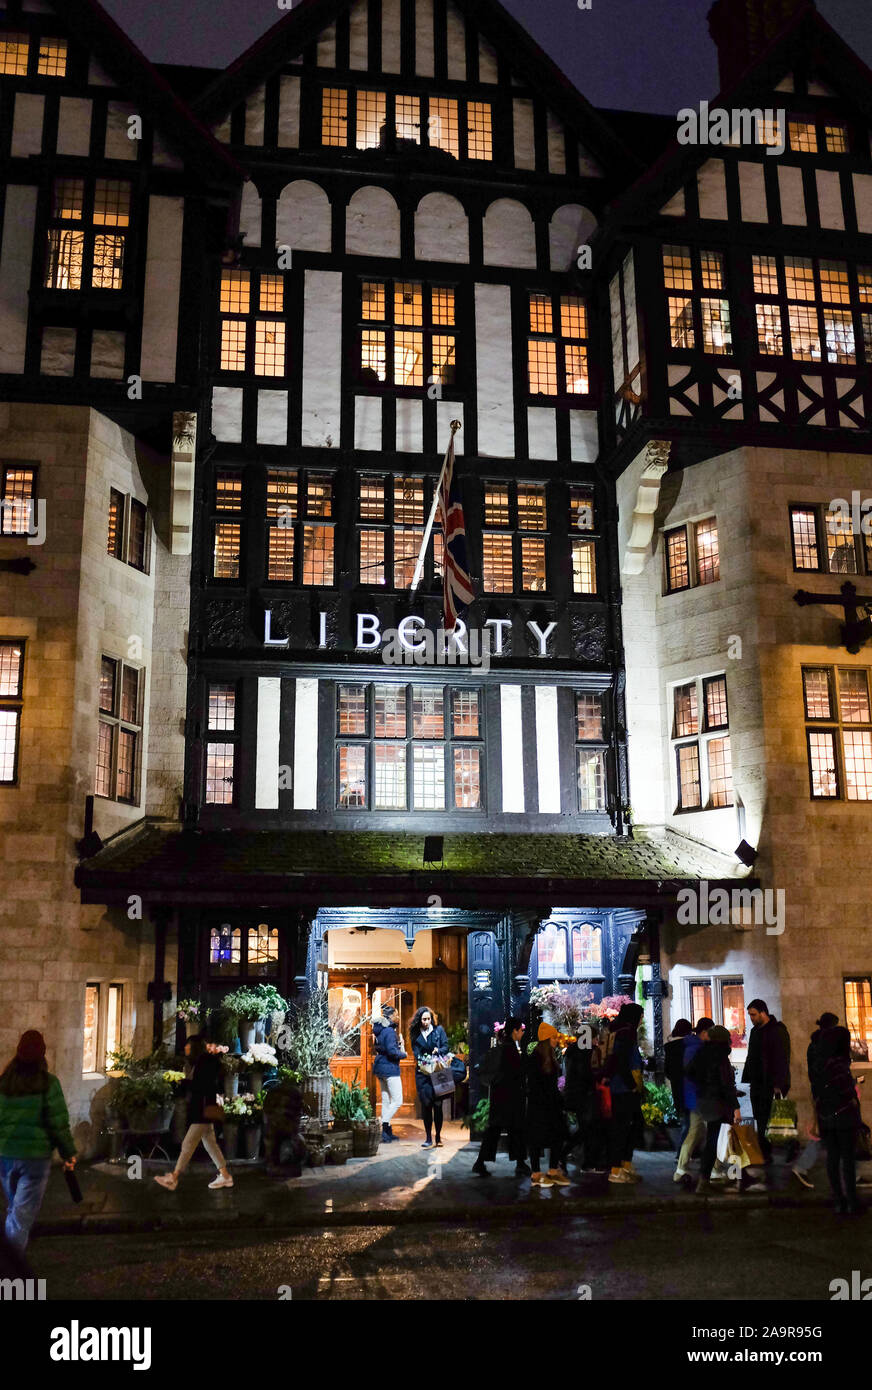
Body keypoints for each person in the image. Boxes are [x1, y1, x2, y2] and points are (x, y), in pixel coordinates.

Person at [0, 1030, 77, 1251]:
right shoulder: (49, 1084)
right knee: (21, 1217)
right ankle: (10, 1268)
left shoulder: (4, 1083)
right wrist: (68, 1152)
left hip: (5, 1155)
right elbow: (58, 1124)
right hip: (34, 1158)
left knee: (14, 1210)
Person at [154, 1034, 233, 1190]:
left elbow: (200, 1086)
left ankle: (174, 1178)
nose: (185, 1048)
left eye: (188, 1045)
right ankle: (225, 1176)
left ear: (194, 1047)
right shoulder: (203, 1062)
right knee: (210, 1143)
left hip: (202, 1110)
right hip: (204, 1108)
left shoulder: (204, 1062)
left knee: (187, 1144)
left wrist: (181, 1082)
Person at [813, 1024, 864, 1215]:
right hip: (844, 1116)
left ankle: (839, 1199)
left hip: (826, 1116)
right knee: (848, 1159)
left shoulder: (820, 1063)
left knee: (833, 1158)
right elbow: (845, 1091)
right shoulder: (839, 1064)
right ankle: (851, 1199)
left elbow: (817, 1091)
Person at [686, 1024, 742, 1195]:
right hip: (718, 1103)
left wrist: (702, 1087)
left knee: (712, 1139)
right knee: (717, 1140)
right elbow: (726, 1085)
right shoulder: (721, 1058)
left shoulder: (701, 1054)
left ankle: (708, 1178)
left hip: (704, 1101)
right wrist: (736, 1107)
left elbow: (689, 1072)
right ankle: (724, 1176)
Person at [472, 1018, 529, 1177]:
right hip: (510, 1098)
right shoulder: (511, 1050)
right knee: (515, 1130)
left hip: (500, 1097)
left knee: (494, 1130)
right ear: (515, 1031)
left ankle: (481, 1162)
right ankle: (519, 1163)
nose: (522, 1033)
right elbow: (516, 1074)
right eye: (521, 1030)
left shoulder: (502, 1047)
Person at [792, 1011, 839, 1190]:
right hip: (829, 1096)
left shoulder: (814, 1045)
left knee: (830, 1135)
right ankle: (802, 1166)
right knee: (835, 1133)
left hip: (822, 1094)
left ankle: (851, 1172)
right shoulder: (826, 1047)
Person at [741, 999, 791, 1165]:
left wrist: (779, 1083)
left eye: (753, 1014)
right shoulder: (755, 1031)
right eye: (749, 1015)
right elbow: (751, 1055)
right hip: (757, 1083)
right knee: (761, 1119)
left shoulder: (777, 1030)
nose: (751, 1018)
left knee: (776, 1117)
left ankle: (789, 1146)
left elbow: (782, 1057)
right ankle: (765, 1154)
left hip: (772, 1083)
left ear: (763, 1012)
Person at [604, 1002, 645, 1185]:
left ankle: (625, 1165)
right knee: (623, 1129)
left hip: (620, 1087)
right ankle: (617, 1169)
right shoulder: (626, 1032)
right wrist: (632, 1084)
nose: (642, 1019)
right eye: (641, 1016)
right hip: (624, 1088)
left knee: (631, 1126)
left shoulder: (619, 1030)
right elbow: (622, 1061)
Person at [526, 1023, 569, 1187]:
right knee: (538, 1139)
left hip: (549, 1104)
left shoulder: (549, 1056)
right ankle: (536, 1174)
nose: (556, 1040)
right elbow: (536, 1084)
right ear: (546, 1039)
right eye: (553, 1037)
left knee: (556, 1136)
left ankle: (552, 1170)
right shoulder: (537, 1058)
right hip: (540, 1105)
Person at [674, 1017, 714, 1181]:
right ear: (704, 1032)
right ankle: (711, 1169)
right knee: (707, 1132)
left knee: (698, 1132)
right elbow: (698, 1074)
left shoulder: (691, 1046)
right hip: (700, 1096)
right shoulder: (697, 1049)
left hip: (695, 1096)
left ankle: (683, 1168)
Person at [564, 1022, 607, 1173]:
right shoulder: (585, 1052)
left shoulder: (573, 1050)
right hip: (584, 1095)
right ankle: (583, 1161)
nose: (597, 1040)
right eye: (595, 1037)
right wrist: (597, 1078)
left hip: (576, 1094)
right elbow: (585, 1073)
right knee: (588, 1129)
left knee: (586, 1129)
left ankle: (584, 1161)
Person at [410, 1005, 450, 1149]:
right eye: (424, 1019)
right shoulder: (415, 1034)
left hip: (438, 1071)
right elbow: (416, 1052)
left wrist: (438, 1050)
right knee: (426, 1105)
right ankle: (428, 1137)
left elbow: (446, 1047)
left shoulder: (439, 1031)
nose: (426, 1022)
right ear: (419, 1020)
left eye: (428, 1019)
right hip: (423, 1073)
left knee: (438, 1105)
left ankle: (438, 1136)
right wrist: (425, 1058)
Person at [372, 1005, 405, 1144]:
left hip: (380, 1067)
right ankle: (383, 1124)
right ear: (390, 1016)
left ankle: (386, 1133)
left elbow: (379, 1047)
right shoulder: (390, 1031)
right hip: (390, 1068)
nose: (397, 1017)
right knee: (398, 1101)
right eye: (396, 1014)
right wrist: (403, 1053)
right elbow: (392, 1052)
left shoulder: (379, 1030)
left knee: (386, 1101)